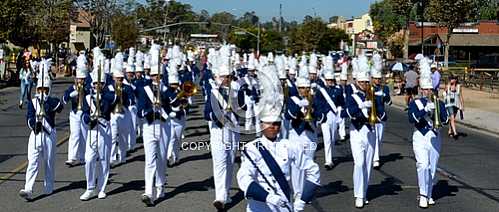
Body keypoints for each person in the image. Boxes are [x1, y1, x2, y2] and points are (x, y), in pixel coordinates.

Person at [236, 103, 320, 212]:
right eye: (268, 123)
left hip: (284, 205)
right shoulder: (251, 148)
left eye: (276, 123)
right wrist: (268, 197)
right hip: (259, 206)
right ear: (261, 125)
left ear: (280, 126)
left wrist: (302, 200)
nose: (272, 126)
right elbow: (244, 178)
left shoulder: (289, 145)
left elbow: (313, 169)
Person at [204, 54, 245, 210]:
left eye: (228, 77)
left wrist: (242, 101)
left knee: (229, 162)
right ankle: (220, 197)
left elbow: (243, 110)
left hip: (233, 131)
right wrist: (218, 115)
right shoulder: (214, 92)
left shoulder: (236, 91)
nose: (225, 79)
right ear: (218, 77)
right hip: (218, 132)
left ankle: (226, 195)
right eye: (223, 77)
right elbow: (206, 113)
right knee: (220, 163)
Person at [19, 59, 63, 201]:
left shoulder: (52, 101)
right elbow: (29, 117)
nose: (42, 92)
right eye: (40, 90)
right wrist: (33, 124)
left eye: (44, 90)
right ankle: (28, 188)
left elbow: (59, 107)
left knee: (49, 162)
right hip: (36, 134)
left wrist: (47, 99)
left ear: (48, 90)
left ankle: (48, 187)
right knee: (32, 161)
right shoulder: (33, 102)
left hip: (49, 135)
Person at [408, 57, 448, 208]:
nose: (427, 92)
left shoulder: (438, 102)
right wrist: (424, 110)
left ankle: (429, 193)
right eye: (424, 89)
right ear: (421, 89)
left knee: (432, 167)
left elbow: (444, 120)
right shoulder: (415, 103)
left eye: (429, 89)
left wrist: (435, 111)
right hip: (420, 136)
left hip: (435, 136)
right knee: (423, 165)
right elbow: (411, 119)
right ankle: (423, 195)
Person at [136, 44, 171, 206]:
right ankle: (148, 191)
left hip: (164, 127)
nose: (156, 78)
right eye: (154, 75)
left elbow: (173, 108)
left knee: (162, 159)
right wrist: (150, 109)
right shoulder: (144, 89)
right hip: (149, 127)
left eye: (159, 75)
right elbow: (140, 110)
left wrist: (164, 102)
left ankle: (160, 185)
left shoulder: (167, 90)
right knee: (150, 160)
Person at [79, 47, 116, 201]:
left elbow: (109, 105)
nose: (97, 86)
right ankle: (90, 188)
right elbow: (85, 115)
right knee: (89, 159)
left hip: (105, 130)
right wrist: (88, 119)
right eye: (95, 84)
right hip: (93, 132)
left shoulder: (108, 95)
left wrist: (101, 97)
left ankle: (102, 188)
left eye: (99, 83)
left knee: (104, 160)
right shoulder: (88, 97)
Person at [340, 56, 375, 208]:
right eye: (362, 82)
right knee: (359, 163)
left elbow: (382, 114)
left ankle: (364, 192)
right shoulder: (352, 97)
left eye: (366, 82)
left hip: (371, 132)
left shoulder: (373, 95)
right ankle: (358, 194)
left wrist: (377, 110)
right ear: (357, 82)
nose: (364, 85)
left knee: (367, 164)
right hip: (357, 131)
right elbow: (347, 112)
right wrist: (361, 108)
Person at [62, 53, 90, 166]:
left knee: (84, 135)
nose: (80, 81)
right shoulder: (72, 88)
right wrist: (73, 94)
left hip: (84, 113)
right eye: (78, 79)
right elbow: (64, 99)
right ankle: (72, 157)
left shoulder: (88, 88)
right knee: (74, 134)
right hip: (74, 113)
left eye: (82, 79)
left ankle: (83, 156)